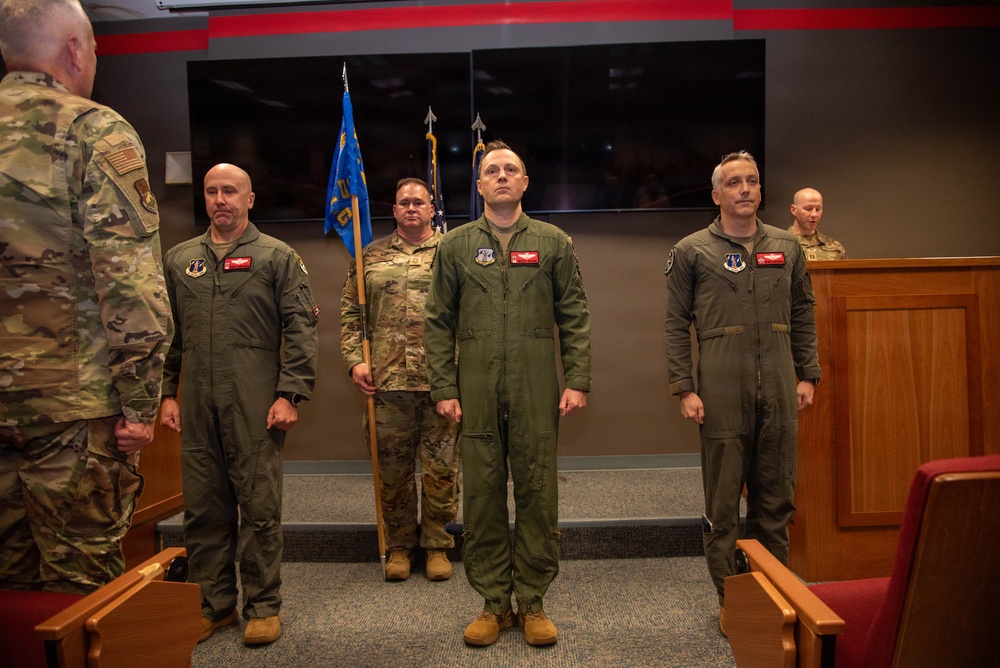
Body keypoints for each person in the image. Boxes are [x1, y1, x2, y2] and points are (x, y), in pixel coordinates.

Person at [0, 0, 172, 595]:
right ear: (74, 49)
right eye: (95, 48)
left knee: (10, 595)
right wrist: (141, 403)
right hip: (72, 410)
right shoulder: (92, 130)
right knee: (80, 592)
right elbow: (129, 283)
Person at [424, 140, 592, 648]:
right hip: (475, 383)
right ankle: (494, 603)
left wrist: (577, 378)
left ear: (524, 182)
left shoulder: (553, 242)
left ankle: (534, 601)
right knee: (482, 495)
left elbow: (574, 314)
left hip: (535, 382)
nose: (501, 176)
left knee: (538, 492)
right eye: (492, 170)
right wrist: (443, 386)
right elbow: (438, 321)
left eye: (511, 170)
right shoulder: (454, 246)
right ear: (479, 185)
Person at [159, 163, 319, 646]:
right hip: (197, 401)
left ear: (250, 199)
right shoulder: (180, 259)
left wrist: (290, 394)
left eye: (230, 191)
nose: (220, 199)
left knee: (258, 507)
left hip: (254, 399)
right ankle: (214, 604)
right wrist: (165, 393)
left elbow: (301, 328)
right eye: (212, 191)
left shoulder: (277, 256)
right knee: (203, 508)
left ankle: (263, 606)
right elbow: (169, 335)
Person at [663, 151, 821, 635]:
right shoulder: (692, 250)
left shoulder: (786, 247)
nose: (745, 189)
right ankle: (732, 599)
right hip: (721, 390)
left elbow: (803, 312)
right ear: (717, 195)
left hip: (779, 386)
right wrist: (684, 387)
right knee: (724, 506)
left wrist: (808, 374)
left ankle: (774, 599)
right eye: (734, 182)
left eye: (752, 180)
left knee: (776, 503)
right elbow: (675, 323)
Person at [340, 177, 460, 582]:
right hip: (386, 384)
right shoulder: (369, 257)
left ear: (431, 210)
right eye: (404, 202)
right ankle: (399, 547)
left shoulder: (452, 252)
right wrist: (355, 361)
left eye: (418, 202)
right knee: (392, 474)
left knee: (442, 471)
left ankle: (437, 544)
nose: (411, 208)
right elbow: (351, 313)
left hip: (442, 383)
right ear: (394, 210)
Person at [788, 187, 847, 260]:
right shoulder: (781, 244)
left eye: (818, 209)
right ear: (793, 210)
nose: (814, 214)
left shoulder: (835, 248)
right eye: (808, 209)